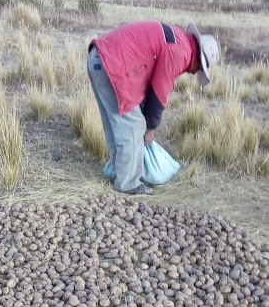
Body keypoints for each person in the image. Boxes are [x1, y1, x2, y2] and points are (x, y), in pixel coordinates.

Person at [87, 21, 220, 195]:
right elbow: (159, 92)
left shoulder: (177, 38)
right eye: (200, 68)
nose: (195, 73)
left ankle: (119, 173)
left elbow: (148, 80)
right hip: (112, 65)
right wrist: (149, 128)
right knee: (134, 126)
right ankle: (128, 184)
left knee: (117, 123)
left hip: (98, 59)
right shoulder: (180, 52)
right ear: (198, 60)